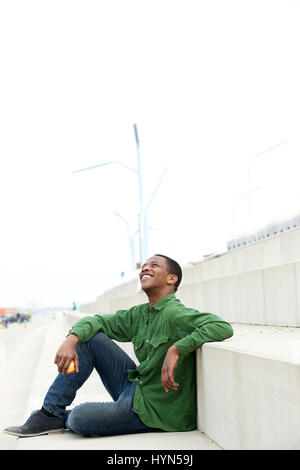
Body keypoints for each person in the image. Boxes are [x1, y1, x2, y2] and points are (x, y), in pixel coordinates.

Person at [4, 254, 234, 438]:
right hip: (136, 388)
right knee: (91, 337)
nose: (145, 268)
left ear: (171, 279)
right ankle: (50, 412)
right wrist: (71, 339)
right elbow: (97, 321)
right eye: (143, 266)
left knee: (80, 419)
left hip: (155, 410)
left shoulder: (176, 314)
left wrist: (177, 348)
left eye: (154, 265)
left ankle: (63, 416)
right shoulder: (139, 314)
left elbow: (221, 326)